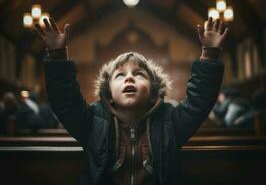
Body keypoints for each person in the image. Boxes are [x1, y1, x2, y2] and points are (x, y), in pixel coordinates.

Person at [35, 16, 228, 185]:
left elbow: (199, 101)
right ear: (108, 92)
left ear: (153, 91)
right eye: (119, 75)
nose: (129, 78)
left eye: (139, 74)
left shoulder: (170, 121)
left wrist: (210, 54)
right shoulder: (93, 122)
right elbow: (65, 102)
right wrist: (58, 56)